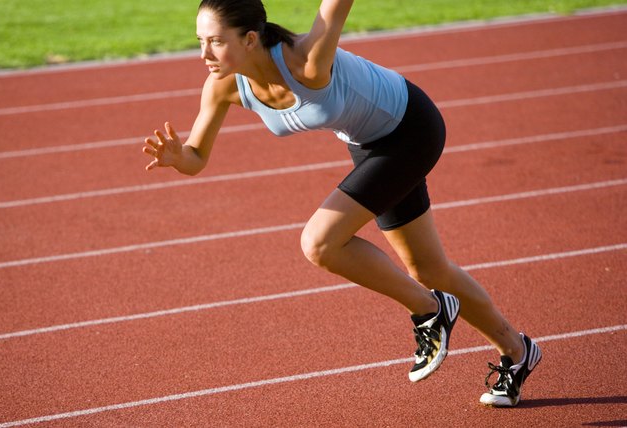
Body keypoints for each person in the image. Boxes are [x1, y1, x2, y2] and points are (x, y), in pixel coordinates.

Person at [142, 0, 541, 407]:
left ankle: (429, 310)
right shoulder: (224, 85)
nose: (203, 54)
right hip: (369, 146)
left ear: (248, 39)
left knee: (319, 242)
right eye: (199, 42)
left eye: (214, 41)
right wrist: (179, 158)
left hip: (411, 129)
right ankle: (518, 352)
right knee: (428, 268)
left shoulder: (307, 59)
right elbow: (197, 156)